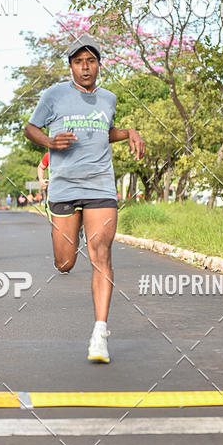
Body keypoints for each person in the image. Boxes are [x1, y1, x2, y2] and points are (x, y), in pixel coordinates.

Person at [24, 34, 145, 364]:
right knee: (65, 262)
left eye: (90, 61)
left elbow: (103, 132)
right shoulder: (55, 95)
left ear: (98, 64)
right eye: (78, 62)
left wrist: (128, 132)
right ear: (71, 67)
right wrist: (50, 141)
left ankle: (100, 333)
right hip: (64, 187)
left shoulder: (108, 99)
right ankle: (72, 229)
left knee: (101, 253)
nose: (85, 67)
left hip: (100, 187)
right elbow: (30, 128)